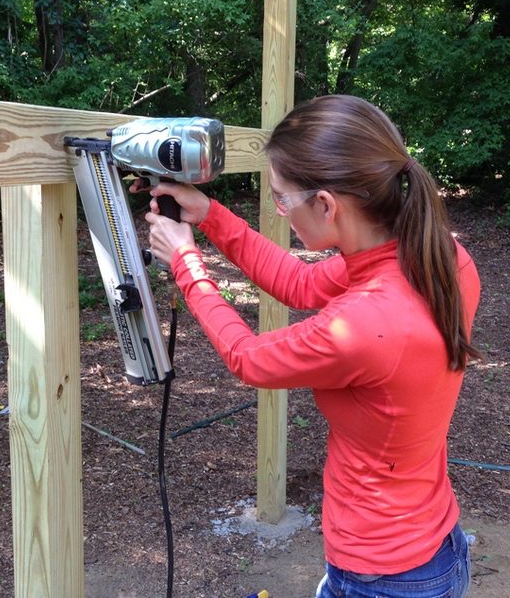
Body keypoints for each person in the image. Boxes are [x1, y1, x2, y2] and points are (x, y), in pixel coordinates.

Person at [139, 95, 481, 598]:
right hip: (430, 547)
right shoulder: (438, 254)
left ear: (325, 203)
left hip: (382, 576)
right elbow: (299, 283)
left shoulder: (367, 325)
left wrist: (187, 264)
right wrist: (209, 215)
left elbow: (248, 359)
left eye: (282, 198)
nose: (281, 209)